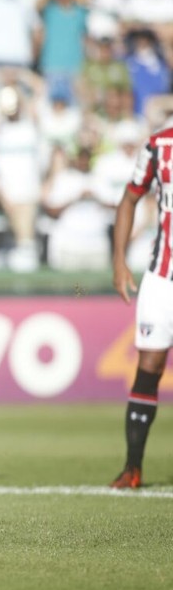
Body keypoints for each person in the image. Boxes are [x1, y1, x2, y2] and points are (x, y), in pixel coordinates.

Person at [110, 123, 173, 489]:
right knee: (148, 367)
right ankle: (133, 468)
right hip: (162, 279)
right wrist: (119, 260)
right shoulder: (158, 146)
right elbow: (129, 198)